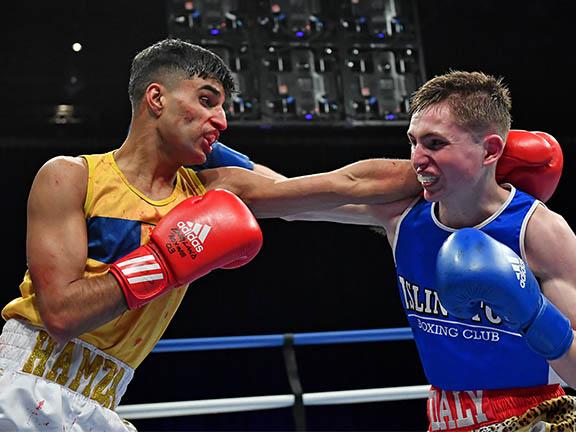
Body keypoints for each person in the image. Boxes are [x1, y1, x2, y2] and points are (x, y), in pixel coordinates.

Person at [0, 38, 421, 430]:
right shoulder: (71, 177)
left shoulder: (215, 190)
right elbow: (61, 315)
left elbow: (343, 184)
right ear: (156, 98)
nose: (219, 120)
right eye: (206, 101)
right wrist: (162, 261)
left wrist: (454, 163)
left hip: (102, 399)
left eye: (221, 108)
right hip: (24, 386)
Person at [203, 71, 576, 430]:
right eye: (413, 142)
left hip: (533, 415)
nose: (417, 158)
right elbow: (289, 198)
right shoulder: (402, 215)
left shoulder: (537, 231)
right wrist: (212, 152)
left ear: (490, 149)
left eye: (434, 143)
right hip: (444, 416)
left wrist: (534, 315)